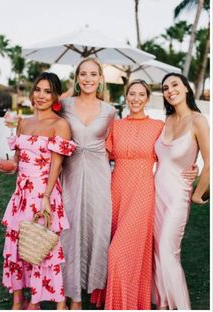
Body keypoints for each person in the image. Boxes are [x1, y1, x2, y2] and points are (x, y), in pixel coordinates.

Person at [0, 72, 76, 310]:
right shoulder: (23, 122)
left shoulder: (59, 124)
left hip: (43, 193)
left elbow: (57, 164)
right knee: (17, 246)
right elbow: (18, 158)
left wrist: (45, 198)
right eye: (38, 90)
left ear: (55, 96)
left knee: (41, 248)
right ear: (32, 93)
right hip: (21, 194)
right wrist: (12, 166)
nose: (41, 95)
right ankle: (17, 301)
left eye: (47, 91)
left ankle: (36, 302)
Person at [58, 57, 116, 310]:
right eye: (83, 74)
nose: (88, 79)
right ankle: (73, 295)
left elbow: (116, 145)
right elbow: (45, 122)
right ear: (77, 77)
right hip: (70, 172)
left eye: (94, 74)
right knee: (69, 229)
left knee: (96, 226)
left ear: (100, 78)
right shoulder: (64, 104)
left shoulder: (109, 110)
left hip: (99, 175)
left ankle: (91, 286)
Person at [103, 80, 164, 310]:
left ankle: (120, 303)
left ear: (147, 99)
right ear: (126, 96)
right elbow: (102, 157)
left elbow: (171, 156)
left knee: (118, 252)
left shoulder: (158, 126)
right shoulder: (115, 125)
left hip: (143, 192)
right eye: (132, 94)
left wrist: (192, 169)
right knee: (118, 245)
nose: (136, 99)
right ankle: (127, 299)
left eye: (141, 95)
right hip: (116, 190)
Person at [152, 73, 210, 310]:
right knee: (157, 253)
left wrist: (199, 194)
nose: (170, 90)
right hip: (155, 195)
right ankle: (163, 304)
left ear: (186, 88)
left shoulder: (198, 121)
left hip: (178, 197)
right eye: (165, 87)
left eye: (175, 84)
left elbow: (210, 162)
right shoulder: (165, 120)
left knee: (168, 252)